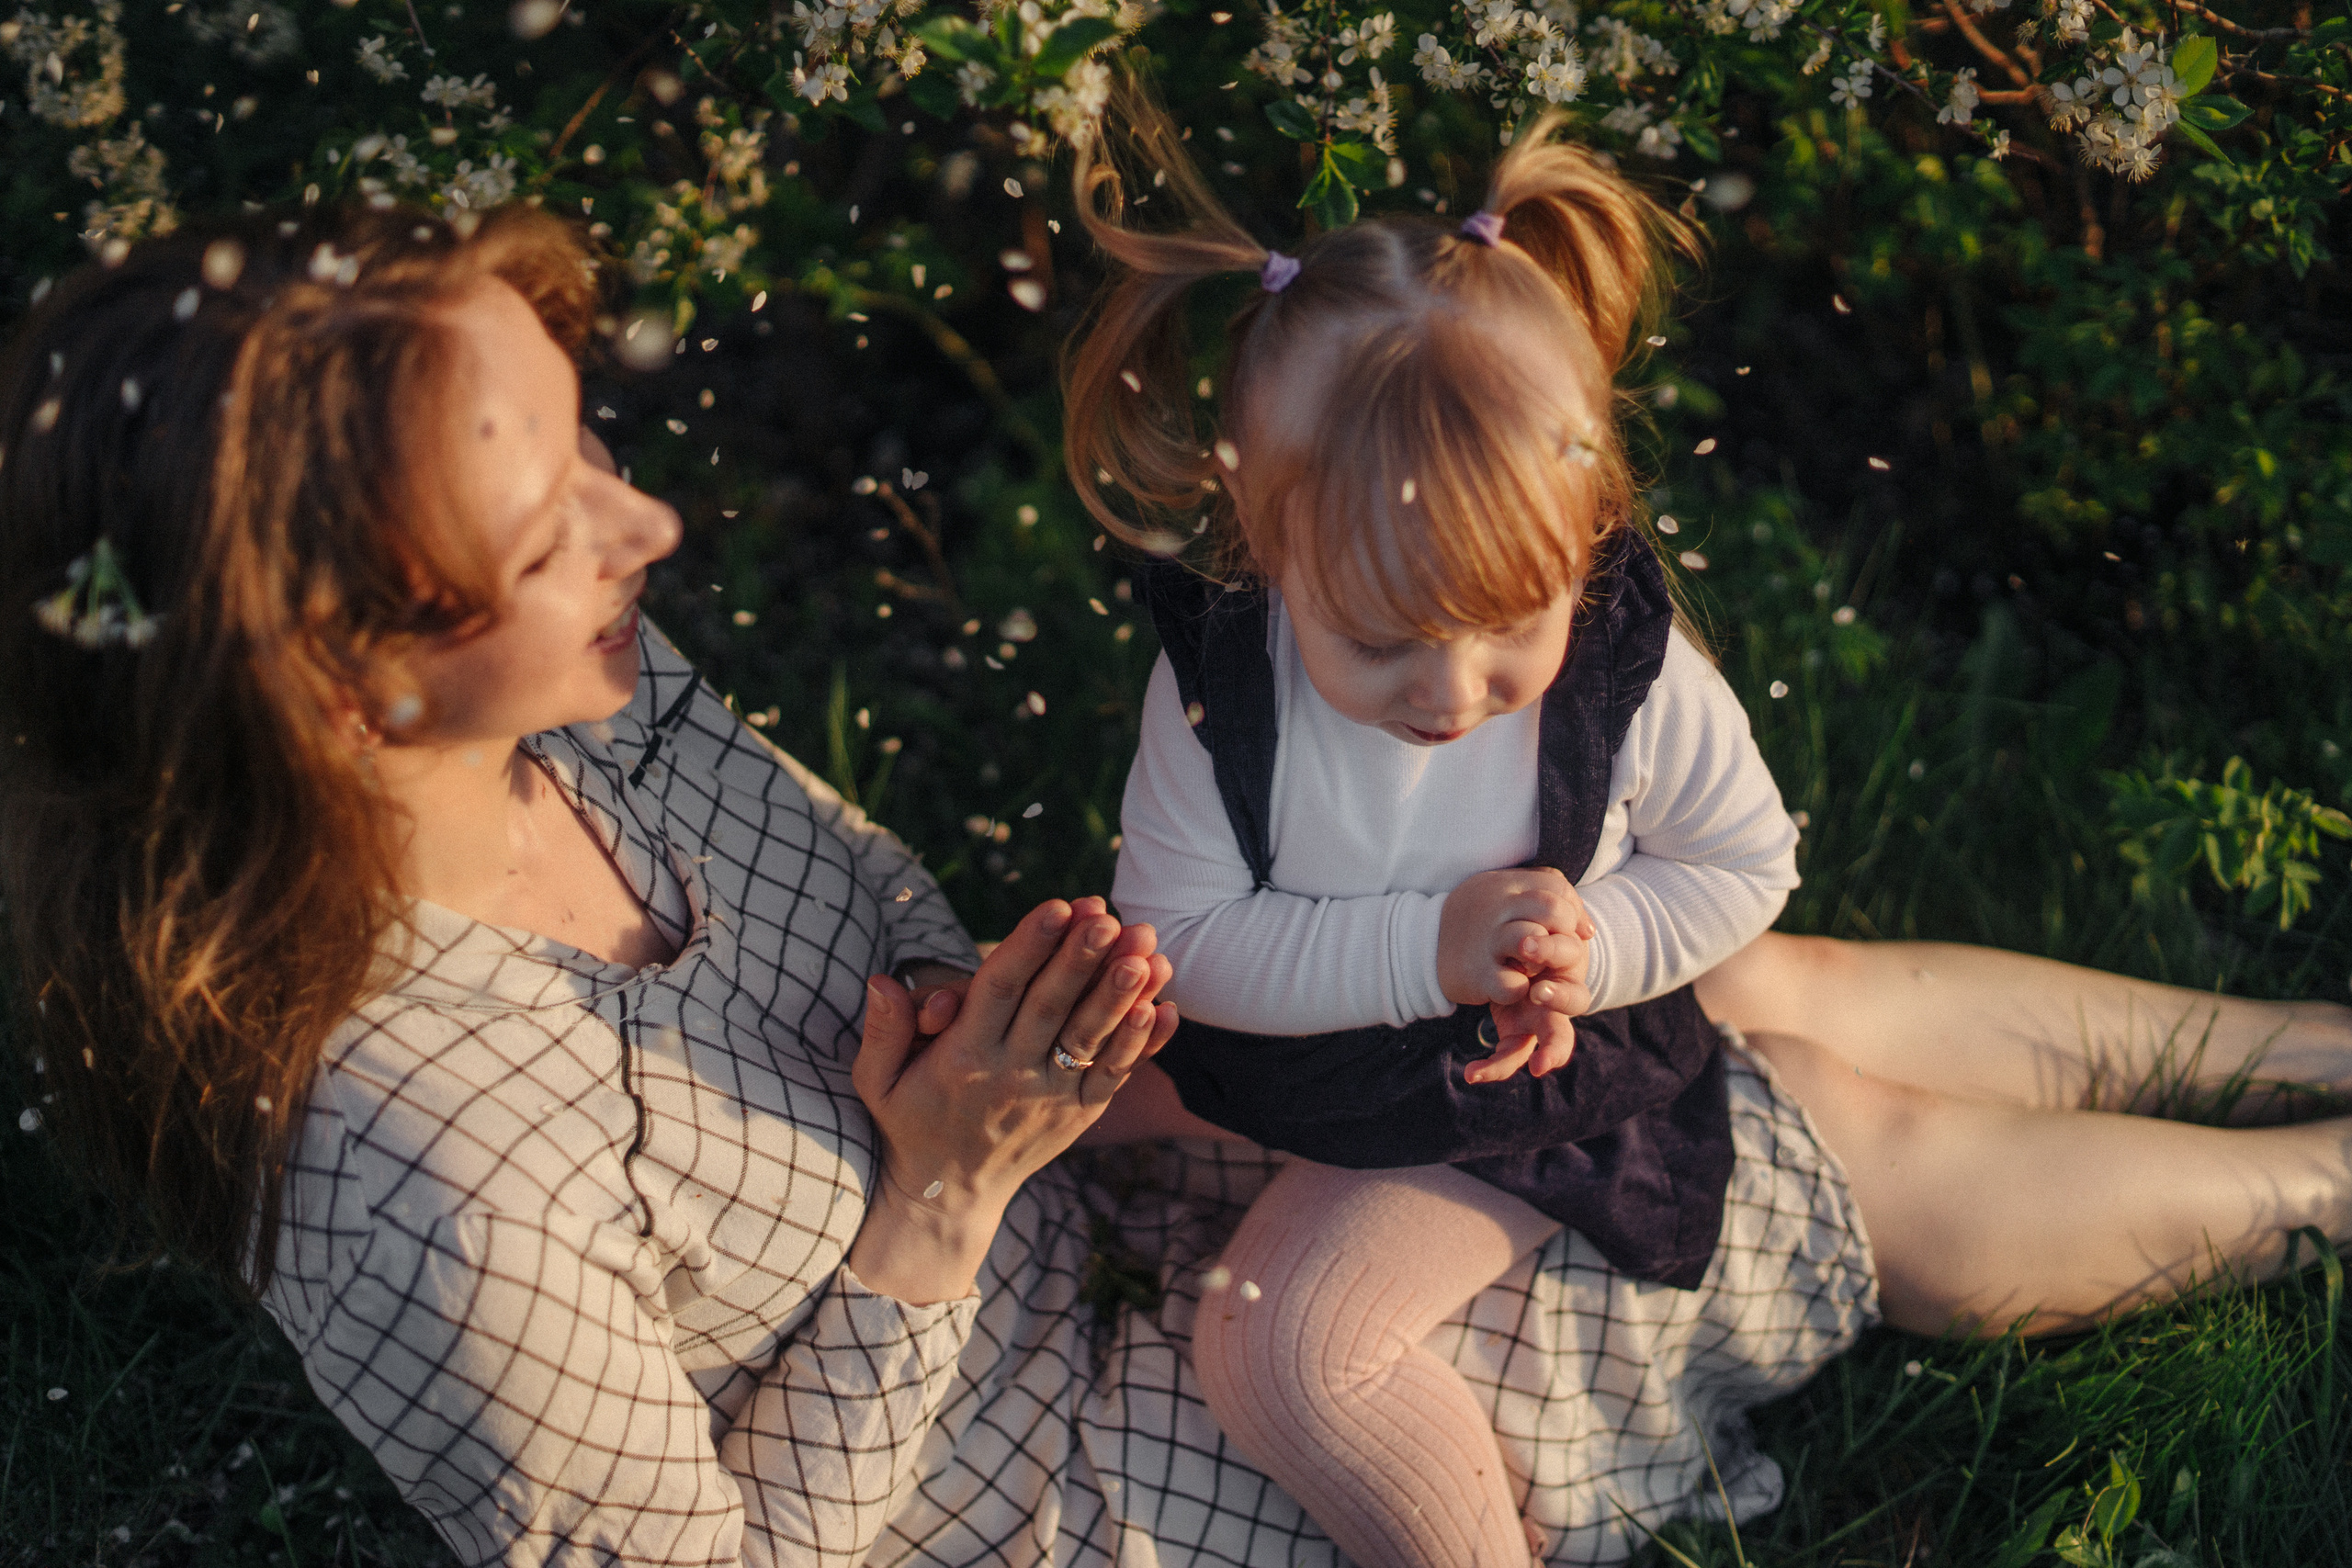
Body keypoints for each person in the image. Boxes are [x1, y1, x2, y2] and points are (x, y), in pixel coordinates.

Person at [6, 202, 2352, 1568]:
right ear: (326, 675)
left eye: (594, 444)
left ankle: (2306, 1041)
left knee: (1745, 984)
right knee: (1820, 1140)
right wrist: (931, 1210)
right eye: (551, 533)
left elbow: (891, 954)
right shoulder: (424, 1151)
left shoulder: (580, 708)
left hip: (1134, 1156)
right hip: (1112, 1437)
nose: (653, 531)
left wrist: (1070, 1036)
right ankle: (2322, 1186)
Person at [1062, 100, 2352, 1568]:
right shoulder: (1221, 695)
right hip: (1357, 1063)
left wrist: (1596, 949)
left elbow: (1743, 863)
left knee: (1286, 1342)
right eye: (1379, 642)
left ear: (1589, 527)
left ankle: (2304, 1069)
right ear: (1263, 540)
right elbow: (1194, 943)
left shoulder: (1626, 668)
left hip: (1527, 1080)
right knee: (1255, 1269)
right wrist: (1428, 946)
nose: (1450, 693)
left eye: (1508, 630)